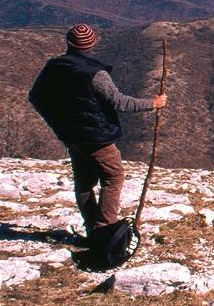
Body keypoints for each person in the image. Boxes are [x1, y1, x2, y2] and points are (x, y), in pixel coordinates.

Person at [29, 24, 167, 239]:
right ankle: (104, 230)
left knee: (84, 183)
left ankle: (93, 228)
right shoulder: (95, 73)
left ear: (69, 43)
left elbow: (35, 96)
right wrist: (153, 103)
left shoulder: (54, 66)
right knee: (114, 176)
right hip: (96, 138)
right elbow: (119, 102)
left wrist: (58, 124)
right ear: (92, 45)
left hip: (72, 136)